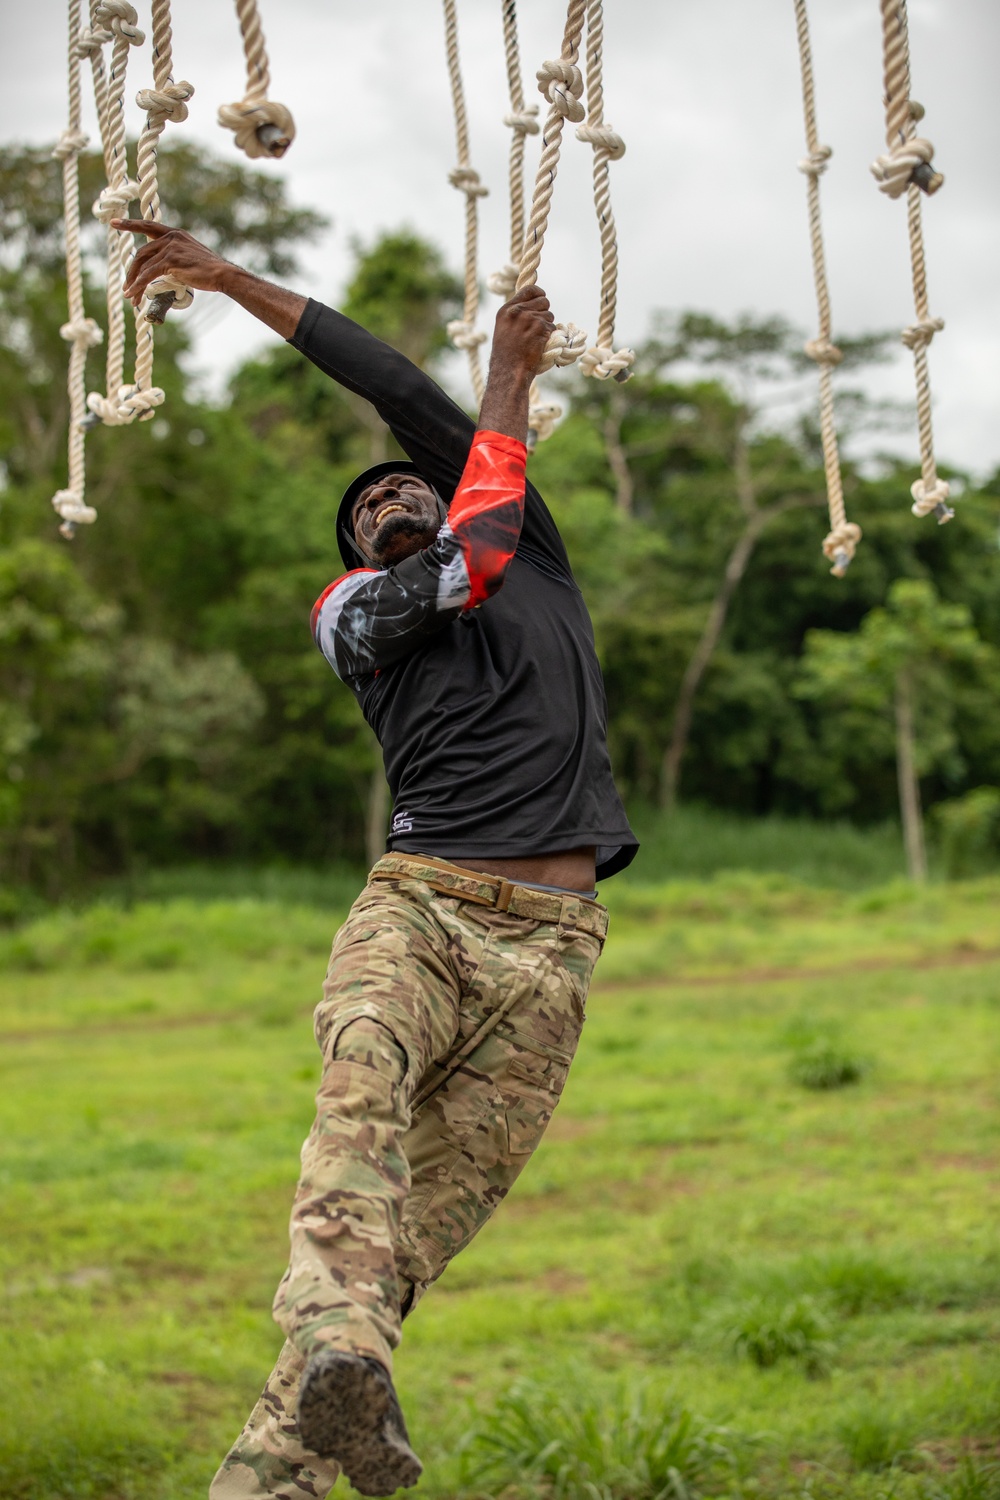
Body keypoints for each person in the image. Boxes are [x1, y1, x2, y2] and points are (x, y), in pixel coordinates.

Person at [114, 218, 638, 1500]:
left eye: (406, 484)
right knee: (358, 1126)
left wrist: (234, 279)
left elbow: (399, 393)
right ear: (353, 557)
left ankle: (275, 1465)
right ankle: (341, 1342)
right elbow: (474, 553)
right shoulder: (355, 615)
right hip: (418, 912)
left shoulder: (533, 551)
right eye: (366, 509)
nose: (388, 496)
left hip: (553, 958)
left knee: (398, 1254)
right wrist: (509, 387)